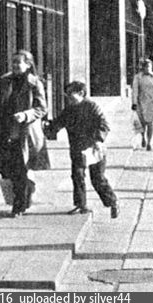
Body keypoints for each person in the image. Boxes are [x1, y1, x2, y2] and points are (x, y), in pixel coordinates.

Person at [47, 81, 119, 218]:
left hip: (94, 149)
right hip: (77, 149)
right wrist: (48, 128)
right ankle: (81, 204)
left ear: (81, 93)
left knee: (97, 178)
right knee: (77, 176)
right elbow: (57, 124)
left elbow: (104, 125)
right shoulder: (69, 110)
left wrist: (98, 139)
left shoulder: (92, 107)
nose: (68, 98)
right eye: (66, 95)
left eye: (70, 94)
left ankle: (112, 202)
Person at [0, 50, 48, 217]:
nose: (16, 65)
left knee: (20, 168)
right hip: (6, 130)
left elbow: (42, 108)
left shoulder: (34, 83)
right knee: (9, 169)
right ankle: (24, 196)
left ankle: (18, 205)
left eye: (19, 62)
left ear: (28, 64)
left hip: (24, 132)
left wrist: (25, 115)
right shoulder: (5, 81)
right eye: (14, 62)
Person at [131, 59, 153, 150]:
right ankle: (143, 137)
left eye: (149, 67)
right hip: (141, 101)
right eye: (146, 66)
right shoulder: (138, 77)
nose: (148, 68)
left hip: (151, 101)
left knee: (150, 123)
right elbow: (135, 90)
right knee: (143, 122)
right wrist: (134, 102)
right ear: (143, 67)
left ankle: (149, 142)